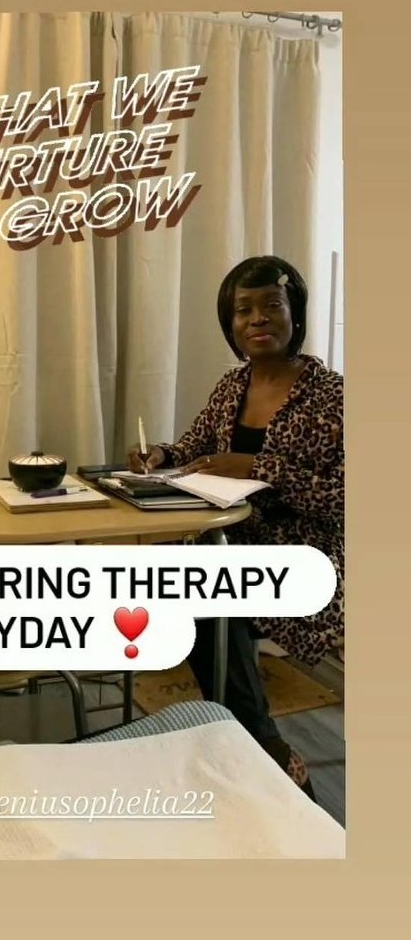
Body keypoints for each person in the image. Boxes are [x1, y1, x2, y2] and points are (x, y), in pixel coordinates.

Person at [128, 256, 344, 797]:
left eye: (272, 305)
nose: (257, 318)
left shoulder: (333, 394)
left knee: (204, 589)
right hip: (233, 542)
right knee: (169, 579)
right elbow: (194, 448)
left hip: (309, 556)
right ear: (230, 324)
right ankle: (246, 742)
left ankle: (259, 745)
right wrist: (160, 455)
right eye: (243, 310)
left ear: (296, 314)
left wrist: (261, 469)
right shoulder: (232, 386)